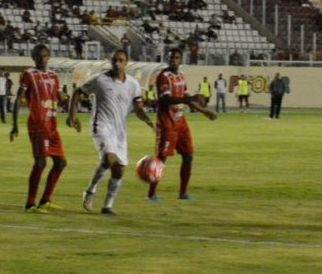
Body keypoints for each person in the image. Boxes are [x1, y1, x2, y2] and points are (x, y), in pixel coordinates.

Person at [67, 50, 154, 215]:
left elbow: (139, 108)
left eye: (121, 60)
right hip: (100, 126)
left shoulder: (133, 84)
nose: (117, 63)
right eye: (114, 60)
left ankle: (107, 206)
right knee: (109, 158)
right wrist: (72, 116)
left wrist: (150, 123)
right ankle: (90, 191)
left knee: (119, 170)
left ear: (126, 63)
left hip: (119, 131)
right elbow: (78, 92)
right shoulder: (100, 80)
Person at [147, 49, 217, 201]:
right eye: (171, 57)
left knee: (188, 156)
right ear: (168, 58)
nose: (174, 60)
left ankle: (183, 193)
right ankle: (151, 194)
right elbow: (166, 100)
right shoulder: (163, 77)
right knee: (162, 159)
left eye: (177, 58)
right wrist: (187, 100)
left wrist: (204, 111)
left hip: (180, 121)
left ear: (180, 60)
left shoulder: (181, 76)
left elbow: (186, 97)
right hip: (167, 122)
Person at [10, 45, 67, 213]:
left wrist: (70, 107)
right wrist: (14, 125)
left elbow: (59, 97)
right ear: (33, 57)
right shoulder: (29, 75)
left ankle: (45, 200)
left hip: (52, 126)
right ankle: (30, 204)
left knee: (60, 162)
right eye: (39, 56)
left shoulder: (54, 76)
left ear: (49, 57)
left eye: (45, 55)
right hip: (38, 124)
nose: (42, 59)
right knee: (40, 162)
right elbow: (17, 99)